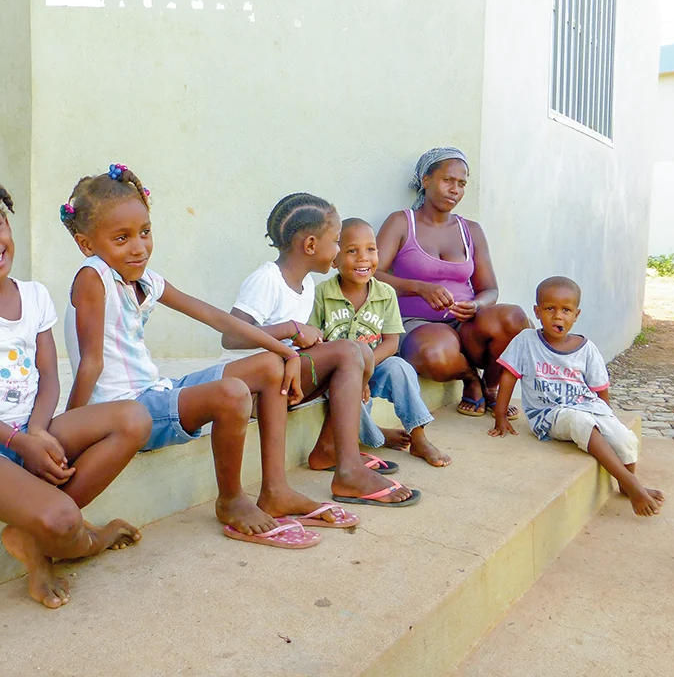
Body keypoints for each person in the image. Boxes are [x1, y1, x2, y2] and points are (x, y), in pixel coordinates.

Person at [63, 164, 354, 551]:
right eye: (122, 238)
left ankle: (276, 490)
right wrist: (70, 432)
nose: (139, 247)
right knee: (232, 393)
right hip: (124, 410)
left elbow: (216, 317)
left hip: (154, 390)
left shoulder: (145, 279)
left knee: (270, 365)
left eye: (145, 232)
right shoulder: (93, 277)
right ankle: (231, 501)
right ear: (87, 244)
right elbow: (91, 363)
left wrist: (285, 348)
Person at [0, 159, 152, 610]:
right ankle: (74, 539)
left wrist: (37, 431)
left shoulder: (35, 295)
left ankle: (31, 530)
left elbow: (49, 377)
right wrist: (19, 442)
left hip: (26, 430)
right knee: (61, 519)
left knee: (134, 417)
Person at [223, 193, 420, 507]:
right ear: (312, 245)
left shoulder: (308, 286)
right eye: (338, 241)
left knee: (358, 354)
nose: (340, 249)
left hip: (287, 385)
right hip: (254, 392)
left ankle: (330, 450)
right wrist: (291, 331)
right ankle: (350, 470)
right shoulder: (267, 280)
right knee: (348, 352)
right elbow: (231, 338)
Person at [489, 276, 665, 517]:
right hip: (548, 414)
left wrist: (608, 418)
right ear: (537, 312)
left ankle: (626, 483)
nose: (558, 316)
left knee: (624, 437)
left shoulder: (586, 348)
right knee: (579, 422)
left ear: (576, 315)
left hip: (588, 406)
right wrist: (500, 414)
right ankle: (632, 484)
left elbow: (600, 389)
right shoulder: (526, 341)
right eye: (550, 309)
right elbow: (508, 376)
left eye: (566, 310)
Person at [375, 147, 530, 419]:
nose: (455, 190)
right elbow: (372, 274)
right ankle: (471, 380)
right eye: (448, 180)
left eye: (461, 184)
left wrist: (476, 305)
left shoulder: (470, 230)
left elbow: (490, 288)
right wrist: (419, 287)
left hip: (467, 323)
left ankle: (491, 387)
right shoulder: (401, 222)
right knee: (435, 354)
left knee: (514, 317)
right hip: (417, 323)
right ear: (426, 180)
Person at [310, 218, 451, 467]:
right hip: (337, 374)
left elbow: (392, 342)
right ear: (334, 260)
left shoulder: (384, 293)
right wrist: (353, 374)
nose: (363, 258)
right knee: (346, 389)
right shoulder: (322, 293)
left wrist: (364, 370)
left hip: (374, 366)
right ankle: (373, 436)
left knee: (400, 368)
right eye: (352, 251)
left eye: (371, 249)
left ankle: (418, 438)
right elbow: (314, 343)